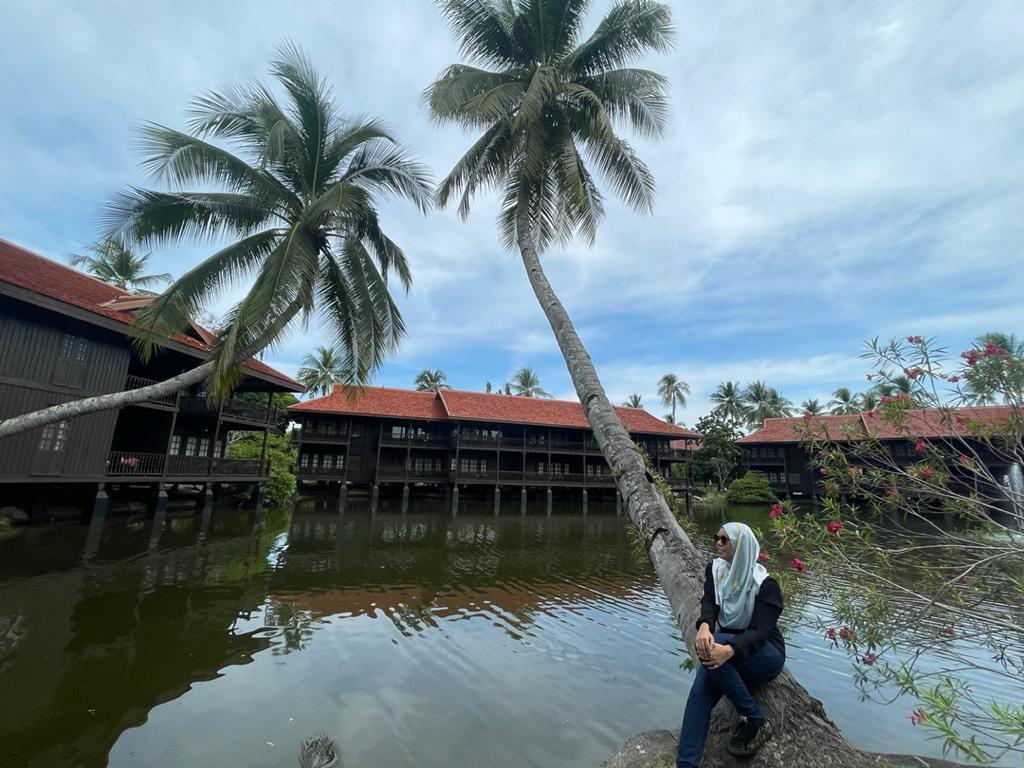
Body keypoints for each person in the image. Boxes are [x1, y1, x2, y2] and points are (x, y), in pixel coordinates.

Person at [676, 522, 785, 767]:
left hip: (764, 654)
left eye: (725, 539)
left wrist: (729, 650)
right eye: (717, 537)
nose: (718, 542)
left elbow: (760, 632)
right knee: (699, 693)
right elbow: (710, 603)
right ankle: (686, 763)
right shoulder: (715, 571)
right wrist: (704, 625)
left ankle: (752, 715)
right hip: (726, 651)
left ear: (741, 546)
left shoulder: (765, 585)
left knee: (713, 649)